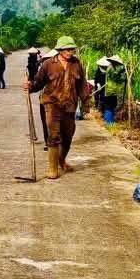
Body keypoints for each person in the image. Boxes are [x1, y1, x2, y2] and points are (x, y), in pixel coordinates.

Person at [24, 36, 88, 179]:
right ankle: (53, 168)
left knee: (68, 136)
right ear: (60, 50)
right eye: (68, 49)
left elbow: (82, 85)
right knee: (53, 135)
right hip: (52, 104)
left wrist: (86, 102)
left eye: (72, 49)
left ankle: (61, 160)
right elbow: (39, 82)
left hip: (70, 105)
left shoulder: (77, 64)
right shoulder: (48, 64)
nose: (71, 52)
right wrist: (30, 87)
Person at [38, 48, 57, 150]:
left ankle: (55, 142)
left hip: (59, 100)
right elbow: (38, 83)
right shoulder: (43, 68)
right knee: (46, 122)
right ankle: (48, 142)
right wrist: (30, 86)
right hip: (45, 99)